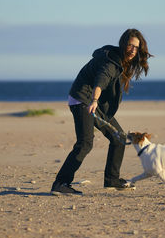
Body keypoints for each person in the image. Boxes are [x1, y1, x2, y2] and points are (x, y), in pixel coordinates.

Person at [51, 28, 153, 195]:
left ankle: (112, 180)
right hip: (83, 99)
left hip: (92, 102)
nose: (133, 50)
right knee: (85, 143)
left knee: (118, 137)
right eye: (130, 45)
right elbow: (101, 80)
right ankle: (61, 183)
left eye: (136, 47)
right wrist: (94, 100)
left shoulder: (121, 62)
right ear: (123, 44)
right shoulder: (111, 62)